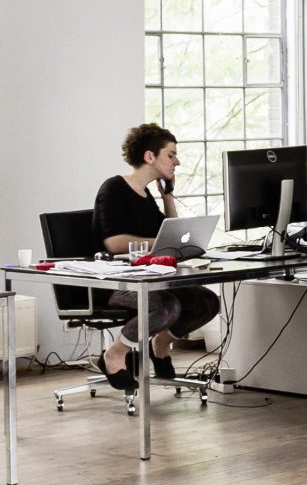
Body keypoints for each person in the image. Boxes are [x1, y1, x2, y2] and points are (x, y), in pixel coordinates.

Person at [90, 123, 222, 392]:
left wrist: (168, 195)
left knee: (207, 302)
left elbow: (171, 231)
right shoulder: (114, 188)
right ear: (150, 156)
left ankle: (160, 345)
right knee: (166, 306)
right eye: (171, 155)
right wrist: (159, 244)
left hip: (149, 279)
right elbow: (113, 243)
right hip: (114, 283)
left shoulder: (147, 194)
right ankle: (114, 354)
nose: (177, 161)